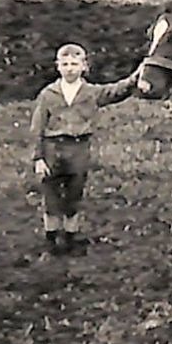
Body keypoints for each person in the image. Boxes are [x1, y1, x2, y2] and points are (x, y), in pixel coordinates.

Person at [30, 43, 143, 256]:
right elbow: (37, 128)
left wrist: (138, 75)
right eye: (65, 64)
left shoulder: (91, 93)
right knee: (51, 197)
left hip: (78, 149)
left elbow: (117, 90)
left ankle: (71, 240)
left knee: (74, 195)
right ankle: (51, 242)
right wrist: (39, 158)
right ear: (58, 67)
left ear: (84, 67)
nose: (70, 68)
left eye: (74, 64)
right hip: (53, 149)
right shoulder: (48, 94)